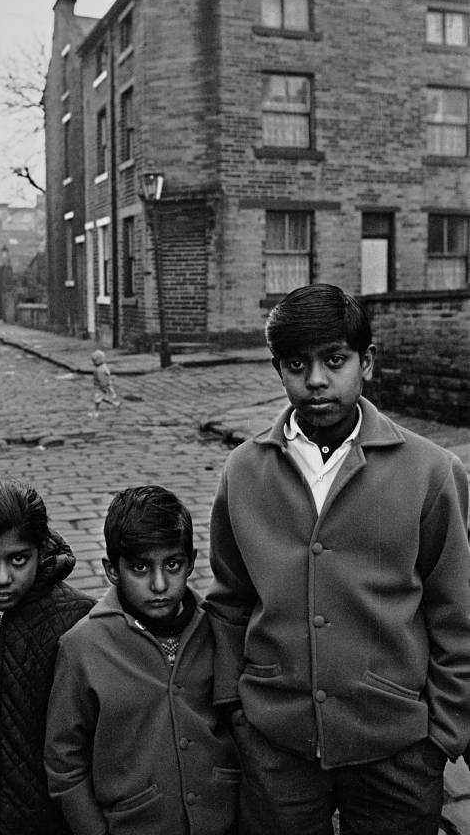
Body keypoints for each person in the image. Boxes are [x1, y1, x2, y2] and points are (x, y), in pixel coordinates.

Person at [204, 283, 470, 835]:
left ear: (366, 362)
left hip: (397, 748)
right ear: (278, 369)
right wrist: (238, 710)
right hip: (277, 747)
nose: (317, 380)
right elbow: (229, 603)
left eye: (335, 360)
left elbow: (457, 614)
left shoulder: (431, 473)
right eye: (297, 364)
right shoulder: (243, 472)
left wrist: (441, 735)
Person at [44, 485, 240, 835]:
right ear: (112, 570)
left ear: (192, 562)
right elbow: (64, 762)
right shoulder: (82, 648)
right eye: (140, 568)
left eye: (173, 564)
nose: (160, 583)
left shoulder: (215, 629)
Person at [0, 479, 94, 835]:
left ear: (41, 551)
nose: (2, 577)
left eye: (18, 559)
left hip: (47, 820)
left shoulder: (78, 619)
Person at [91, 349, 120, 414]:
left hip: (101, 387)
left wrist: (103, 387)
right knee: (102, 398)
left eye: (94, 361)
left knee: (97, 399)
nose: (93, 362)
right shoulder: (102, 367)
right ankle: (115, 403)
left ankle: (96, 412)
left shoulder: (100, 369)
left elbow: (102, 379)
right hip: (102, 386)